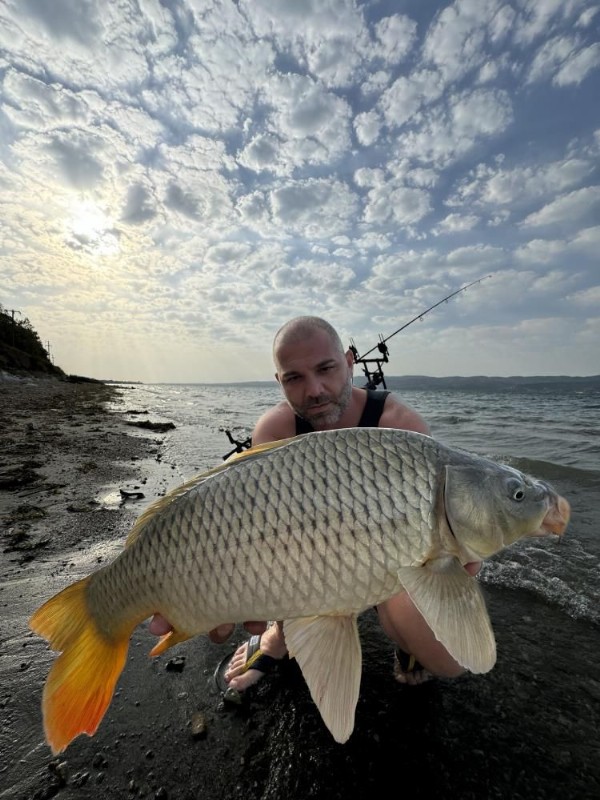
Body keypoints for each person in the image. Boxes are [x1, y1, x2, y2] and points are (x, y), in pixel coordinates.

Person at [150, 316, 480, 688]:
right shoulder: (275, 430)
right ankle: (277, 637)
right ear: (280, 383)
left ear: (350, 363)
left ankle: (406, 641)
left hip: (392, 558)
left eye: (326, 369)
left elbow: (440, 537)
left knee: (449, 662)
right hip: (314, 557)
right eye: (295, 378)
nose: (315, 390)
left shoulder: (399, 425)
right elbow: (272, 541)